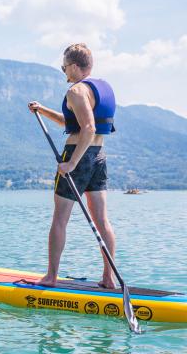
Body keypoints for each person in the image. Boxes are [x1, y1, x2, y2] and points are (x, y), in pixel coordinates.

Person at [27, 43, 117, 288]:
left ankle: (50, 277)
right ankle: (109, 278)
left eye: (64, 66)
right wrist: (42, 110)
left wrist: (71, 163)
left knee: (59, 219)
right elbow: (76, 124)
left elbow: (87, 128)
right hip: (99, 156)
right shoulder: (102, 87)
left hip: (78, 156)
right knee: (102, 220)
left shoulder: (76, 91)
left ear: (76, 67)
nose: (63, 71)